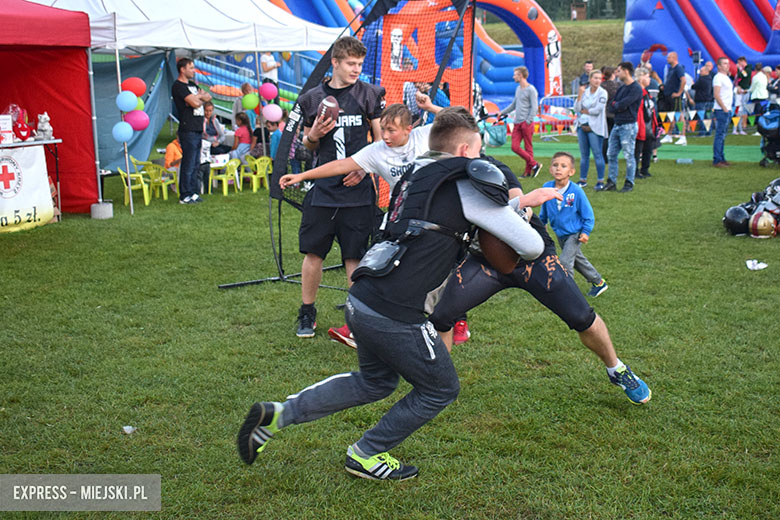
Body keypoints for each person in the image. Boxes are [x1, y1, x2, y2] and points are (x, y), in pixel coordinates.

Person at [237, 106, 551, 480]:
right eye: (479, 150)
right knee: (441, 389)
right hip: (396, 312)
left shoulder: (413, 175)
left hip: (362, 298)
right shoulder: (465, 182)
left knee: (376, 381)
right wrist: (521, 209)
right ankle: (367, 453)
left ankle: (278, 414)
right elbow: (530, 247)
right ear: (466, 152)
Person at [427, 152, 651, 404]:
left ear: (467, 145)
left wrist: (520, 203)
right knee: (441, 315)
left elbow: (520, 211)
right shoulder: (445, 175)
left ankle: (616, 369)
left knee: (581, 316)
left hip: (531, 258)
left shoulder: (494, 169)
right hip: (484, 261)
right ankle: (438, 384)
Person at [293, 36, 386, 340]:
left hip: (358, 190)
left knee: (355, 256)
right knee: (313, 253)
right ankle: (307, 312)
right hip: (323, 189)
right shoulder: (312, 98)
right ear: (335, 62)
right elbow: (305, 151)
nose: (356, 69)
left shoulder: (369, 95)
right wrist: (314, 135)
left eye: (359, 63)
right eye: (350, 63)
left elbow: (382, 143)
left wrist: (363, 168)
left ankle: (357, 317)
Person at [539, 152, 607, 297]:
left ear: (571, 172)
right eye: (555, 165)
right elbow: (544, 211)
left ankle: (569, 293)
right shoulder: (547, 188)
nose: (558, 169)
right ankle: (599, 282)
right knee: (577, 260)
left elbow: (588, 215)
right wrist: (541, 225)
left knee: (564, 261)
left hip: (575, 234)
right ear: (550, 169)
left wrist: (585, 232)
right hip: (560, 234)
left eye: (563, 166)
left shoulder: (576, 191)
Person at [172, 57, 211, 204]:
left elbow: (208, 96)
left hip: (197, 128)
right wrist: (199, 98)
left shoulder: (193, 85)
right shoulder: (178, 86)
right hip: (187, 128)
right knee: (188, 163)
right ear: (183, 69)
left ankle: (194, 192)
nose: (194, 71)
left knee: (196, 162)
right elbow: (195, 103)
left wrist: (198, 97)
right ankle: (185, 194)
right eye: (191, 68)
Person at [604, 62, 642, 193]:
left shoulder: (636, 88)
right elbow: (613, 104)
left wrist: (618, 105)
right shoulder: (621, 88)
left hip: (628, 125)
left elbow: (622, 104)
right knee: (611, 154)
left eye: (619, 71)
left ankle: (629, 183)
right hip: (617, 123)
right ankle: (611, 182)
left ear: (626, 71)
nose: (617, 74)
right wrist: (617, 105)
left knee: (628, 155)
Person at [500, 66, 541, 177]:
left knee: (528, 147)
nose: (514, 77)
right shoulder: (518, 89)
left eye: (515, 74)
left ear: (521, 76)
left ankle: (527, 172)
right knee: (515, 147)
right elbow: (514, 105)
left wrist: (528, 121)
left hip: (526, 123)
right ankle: (534, 164)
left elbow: (534, 107)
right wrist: (502, 112)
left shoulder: (531, 90)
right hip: (517, 122)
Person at [574, 69, 608, 190]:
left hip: (595, 127)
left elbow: (597, 110)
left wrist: (585, 111)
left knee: (597, 154)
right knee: (584, 155)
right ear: (590, 79)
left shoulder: (603, 93)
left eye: (599, 78)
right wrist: (579, 96)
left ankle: (600, 180)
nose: (597, 80)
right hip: (582, 125)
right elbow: (577, 108)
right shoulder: (585, 92)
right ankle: (583, 179)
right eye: (595, 78)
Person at [634, 67, 658, 180]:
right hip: (640, 124)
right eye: (647, 76)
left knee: (648, 147)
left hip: (648, 124)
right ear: (640, 78)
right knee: (637, 149)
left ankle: (645, 169)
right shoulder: (637, 91)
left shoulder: (646, 92)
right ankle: (635, 171)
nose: (649, 79)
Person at [659, 51, 687, 145]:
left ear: (674, 58)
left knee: (679, 115)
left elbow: (683, 80)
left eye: (669, 57)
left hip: (676, 96)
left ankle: (683, 136)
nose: (667, 59)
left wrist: (679, 93)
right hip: (669, 95)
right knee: (670, 116)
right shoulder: (671, 69)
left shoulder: (679, 68)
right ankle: (669, 135)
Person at [712, 57, 734, 168]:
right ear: (719, 66)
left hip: (727, 108)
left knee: (723, 135)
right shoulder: (718, 77)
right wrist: (724, 107)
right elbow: (716, 94)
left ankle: (721, 157)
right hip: (721, 109)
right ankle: (717, 159)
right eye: (725, 63)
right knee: (720, 135)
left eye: (728, 63)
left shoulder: (726, 77)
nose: (727, 65)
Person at [600, 66, 620, 162]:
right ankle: (612, 155)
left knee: (606, 137)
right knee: (614, 137)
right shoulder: (618, 85)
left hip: (604, 113)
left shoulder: (602, 86)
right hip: (615, 113)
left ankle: (605, 156)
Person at [693, 62, 714, 136]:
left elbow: (694, 86)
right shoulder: (710, 79)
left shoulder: (701, 79)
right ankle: (709, 132)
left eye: (701, 71)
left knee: (702, 117)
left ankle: (702, 132)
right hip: (709, 100)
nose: (700, 73)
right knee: (708, 117)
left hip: (701, 100)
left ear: (706, 71)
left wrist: (693, 84)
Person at [733, 57, 751, 135]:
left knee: (741, 110)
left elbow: (742, 75)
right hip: (739, 91)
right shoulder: (744, 69)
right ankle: (736, 129)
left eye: (739, 62)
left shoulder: (748, 69)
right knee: (738, 110)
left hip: (743, 91)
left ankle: (739, 128)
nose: (739, 64)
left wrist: (739, 69)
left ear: (743, 61)